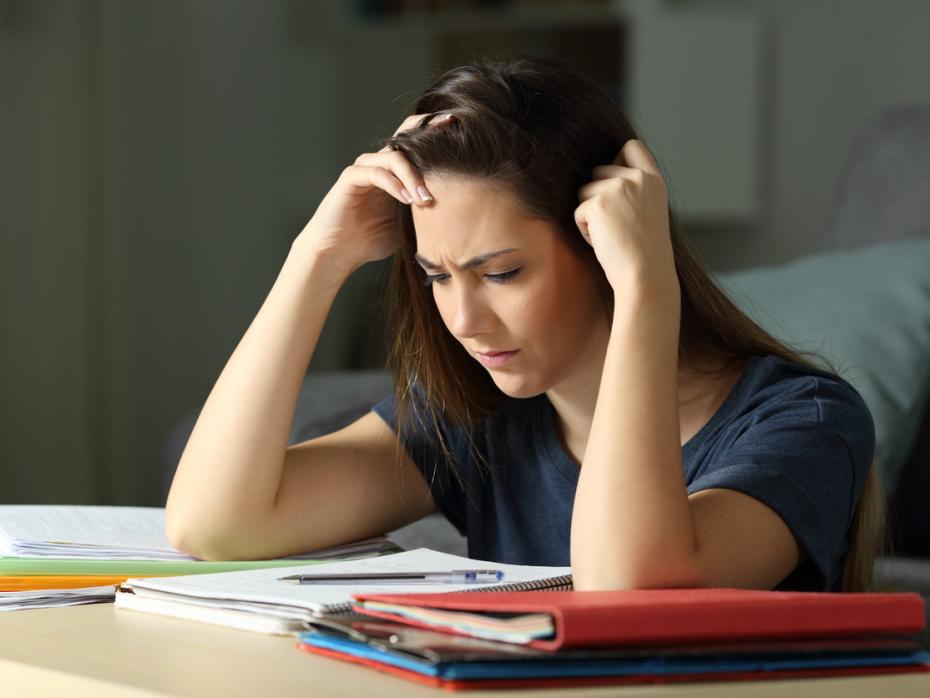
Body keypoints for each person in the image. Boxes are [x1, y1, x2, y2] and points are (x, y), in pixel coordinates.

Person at [165, 57, 882, 593]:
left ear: (603, 246)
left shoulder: (807, 422)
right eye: (437, 276)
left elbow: (627, 590)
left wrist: (647, 292)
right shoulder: (477, 421)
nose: (464, 321)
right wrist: (316, 259)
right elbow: (216, 523)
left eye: (502, 272)